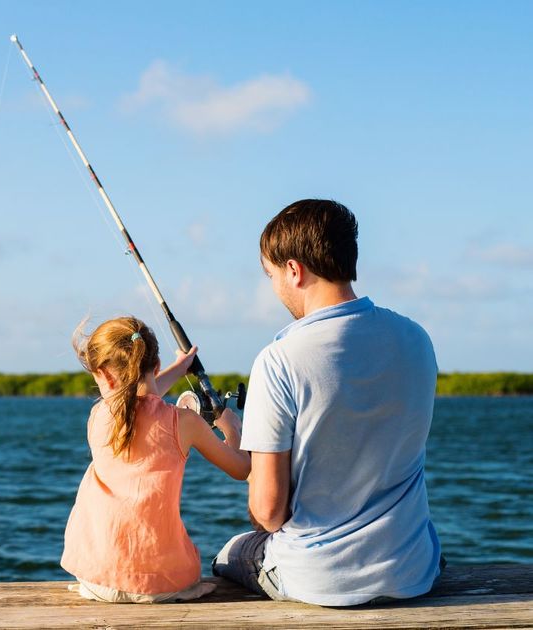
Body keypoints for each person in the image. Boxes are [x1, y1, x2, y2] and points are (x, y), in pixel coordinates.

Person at [212, 199, 443, 606]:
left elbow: (268, 514)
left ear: (294, 270)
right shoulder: (416, 339)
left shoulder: (279, 360)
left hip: (319, 580)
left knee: (228, 554)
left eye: (271, 275)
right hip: (413, 569)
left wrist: (246, 460)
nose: (273, 287)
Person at [61, 316, 251, 603]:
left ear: (104, 375)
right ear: (156, 365)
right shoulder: (185, 422)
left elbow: (132, 401)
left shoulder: (99, 416)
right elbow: (241, 468)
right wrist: (233, 430)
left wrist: (180, 369)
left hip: (95, 577)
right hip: (164, 584)